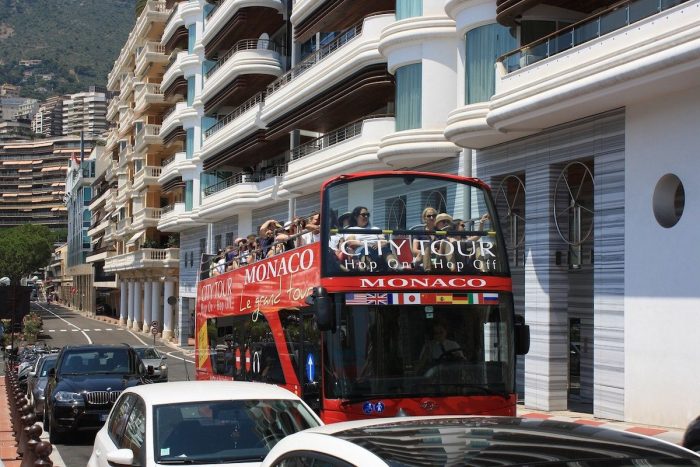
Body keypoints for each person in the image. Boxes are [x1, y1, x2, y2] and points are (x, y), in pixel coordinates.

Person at [343, 206, 400, 271]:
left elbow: (384, 241)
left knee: (385, 249)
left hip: (378, 250)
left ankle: (395, 267)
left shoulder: (376, 229)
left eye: (368, 215)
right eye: (363, 215)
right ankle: (368, 270)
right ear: (356, 217)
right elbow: (351, 242)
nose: (366, 217)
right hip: (361, 250)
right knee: (366, 250)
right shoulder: (351, 230)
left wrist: (379, 245)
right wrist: (366, 244)